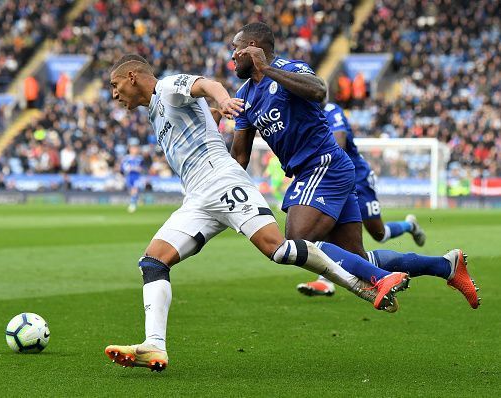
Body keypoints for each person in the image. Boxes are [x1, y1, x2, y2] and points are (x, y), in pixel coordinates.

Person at [104, 54, 410, 372]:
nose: (114, 94)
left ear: (132, 77)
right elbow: (196, 115)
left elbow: (208, 84)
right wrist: (212, 113)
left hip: (221, 180)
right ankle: (154, 345)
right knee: (153, 262)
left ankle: (361, 284)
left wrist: (224, 102)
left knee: (278, 250)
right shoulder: (157, 110)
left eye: (115, 85)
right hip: (196, 199)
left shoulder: (167, 87)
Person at [229, 22, 479, 308]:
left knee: (298, 241)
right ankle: (445, 266)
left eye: (237, 48)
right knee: (356, 258)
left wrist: (268, 70)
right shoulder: (244, 97)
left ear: (253, 48)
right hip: (320, 171)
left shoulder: (291, 68)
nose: (232, 56)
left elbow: (318, 91)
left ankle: (381, 279)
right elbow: (240, 157)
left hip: (322, 165)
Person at [297, 102, 426, 296]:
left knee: (379, 233)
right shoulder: (304, 112)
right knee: (328, 226)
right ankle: (325, 281)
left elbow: (338, 142)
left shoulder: (331, 110)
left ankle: (409, 225)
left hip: (358, 178)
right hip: (335, 180)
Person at [120, 139, 145, 213]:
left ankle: (132, 204)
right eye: (133, 148)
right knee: (132, 190)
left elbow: (142, 168)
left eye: (136, 148)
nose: (135, 150)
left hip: (137, 176)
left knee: (135, 189)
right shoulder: (126, 158)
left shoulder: (140, 158)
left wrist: (137, 169)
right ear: (130, 149)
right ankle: (136, 201)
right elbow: (124, 168)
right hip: (129, 176)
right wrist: (131, 168)